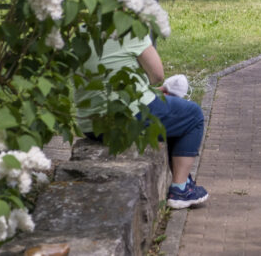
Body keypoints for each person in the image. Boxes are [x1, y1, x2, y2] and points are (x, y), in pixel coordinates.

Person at [77, 33, 209, 209]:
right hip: (128, 116)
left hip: (90, 124)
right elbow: (157, 74)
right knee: (192, 115)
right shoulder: (128, 29)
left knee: (170, 113)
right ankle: (181, 189)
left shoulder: (80, 30)